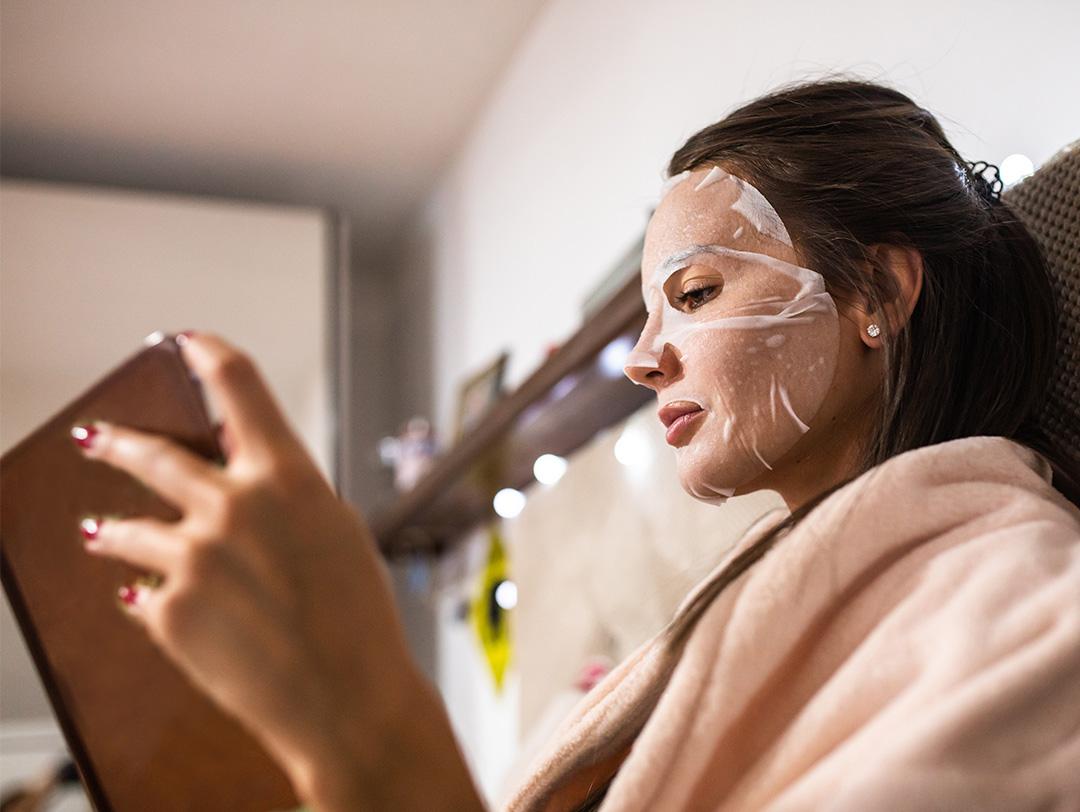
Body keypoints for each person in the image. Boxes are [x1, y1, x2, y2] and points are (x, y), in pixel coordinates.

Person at [70, 76, 1080, 811]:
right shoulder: (739, 613)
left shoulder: (1025, 605)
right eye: (648, 312)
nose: (643, 360)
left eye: (692, 294)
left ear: (875, 292)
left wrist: (369, 727)